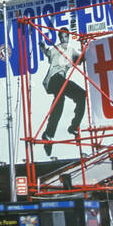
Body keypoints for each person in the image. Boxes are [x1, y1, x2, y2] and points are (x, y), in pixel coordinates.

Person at [41, 26, 87, 156]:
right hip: (53, 79)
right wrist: (42, 46)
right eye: (61, 37)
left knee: (79, 95)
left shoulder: (72, 50)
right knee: (59, 95)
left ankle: (67, 128)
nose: (63, 39)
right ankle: (49, 134)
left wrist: (85, 48)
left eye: (66, 36)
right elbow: (47, 52)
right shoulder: (56, 49)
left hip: (61, 81)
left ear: (68, 37)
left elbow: (82, 58)